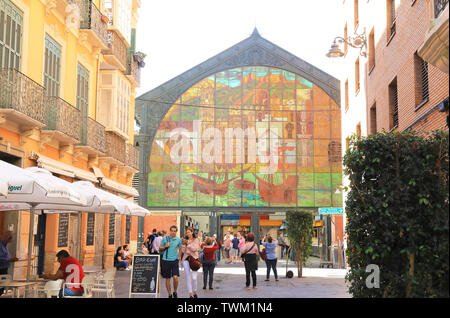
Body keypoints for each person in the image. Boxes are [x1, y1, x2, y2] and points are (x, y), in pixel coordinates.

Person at [159, 225, 182, 298]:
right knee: (168, 278)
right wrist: (165, 246)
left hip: (174, 260)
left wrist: (179, 257)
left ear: (176, 232)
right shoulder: (165, 239)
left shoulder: (178, 239)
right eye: (172, 231)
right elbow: (160, 247)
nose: (173, 232)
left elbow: (180, 248)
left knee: (175, 277)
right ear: (170, 231)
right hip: (166, 260)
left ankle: (175, 291)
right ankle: (169, 294)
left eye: (175, 231)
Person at [180, 227, 200, 298]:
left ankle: (195, 291)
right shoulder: (186, 240)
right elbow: (183, 251)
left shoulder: (196, 240)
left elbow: (194, 249)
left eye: (189, 232)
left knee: (194, 278)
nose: (188, 233)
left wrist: (188, 244)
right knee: (188, 277)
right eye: (187, 232)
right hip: (186, 259)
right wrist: (183, 244)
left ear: (192, 232)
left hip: (194, 259)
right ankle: (190, 294)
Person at [0, 231, 19, 296]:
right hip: (0, 269)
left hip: (4, 269)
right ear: (5, 236)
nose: (10, 240)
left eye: (11, 238)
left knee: (2, 288)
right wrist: (9, 259)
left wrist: (11, 259)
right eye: (10, 238)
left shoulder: (5, 245)